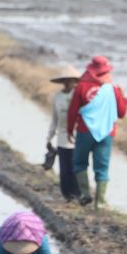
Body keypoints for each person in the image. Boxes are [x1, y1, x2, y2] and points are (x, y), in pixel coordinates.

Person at [67, 56, 127, 210]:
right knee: (102, 168)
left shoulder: (82, 86)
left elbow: (73, 111)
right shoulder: (113, 89)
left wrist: (69, 129)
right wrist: (122, 95)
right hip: (106, 133)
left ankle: (85, 194)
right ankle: (99, 203)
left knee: (79, 163)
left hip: (85, 131)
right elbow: (121, 113)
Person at [45, 65, 81, 201]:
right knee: (64, 169)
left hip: (77, 138)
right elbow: (54, 119)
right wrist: (49, 137)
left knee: (75, 169)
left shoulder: (78, 97)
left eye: (70, 80)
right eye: (65, 80)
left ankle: (77, 194)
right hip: (62, 138)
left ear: (74, 81)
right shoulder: (58, 97)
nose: (67, 83)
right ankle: (67, 195)